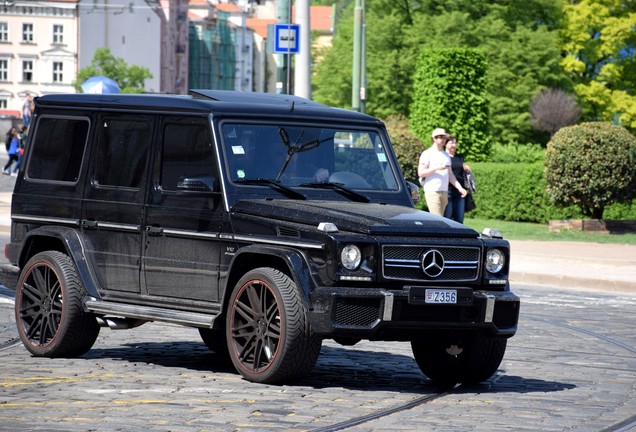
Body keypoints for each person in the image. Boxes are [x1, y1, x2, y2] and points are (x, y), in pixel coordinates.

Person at [417, 128, 467, 216]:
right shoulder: (427, 153)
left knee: (441, 220)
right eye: (440, 137)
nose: (443, 139)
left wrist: (460, 188)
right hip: (432, 190)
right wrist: (436, 168)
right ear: (434, 139)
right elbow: (421, 173)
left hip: (444, 191)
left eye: (444, 137)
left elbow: (450, 174)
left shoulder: (445, 155)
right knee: (437, 218)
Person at [443, 135, 472, 223]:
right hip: (447, 190)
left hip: (460, 191)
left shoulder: (460, 157)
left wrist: (466, 168)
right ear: (446, 144)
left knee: (459, 218)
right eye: (451, 143)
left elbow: (460, 169)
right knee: (447, 216)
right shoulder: (443, 157)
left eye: (455, 143)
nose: (454, 145)